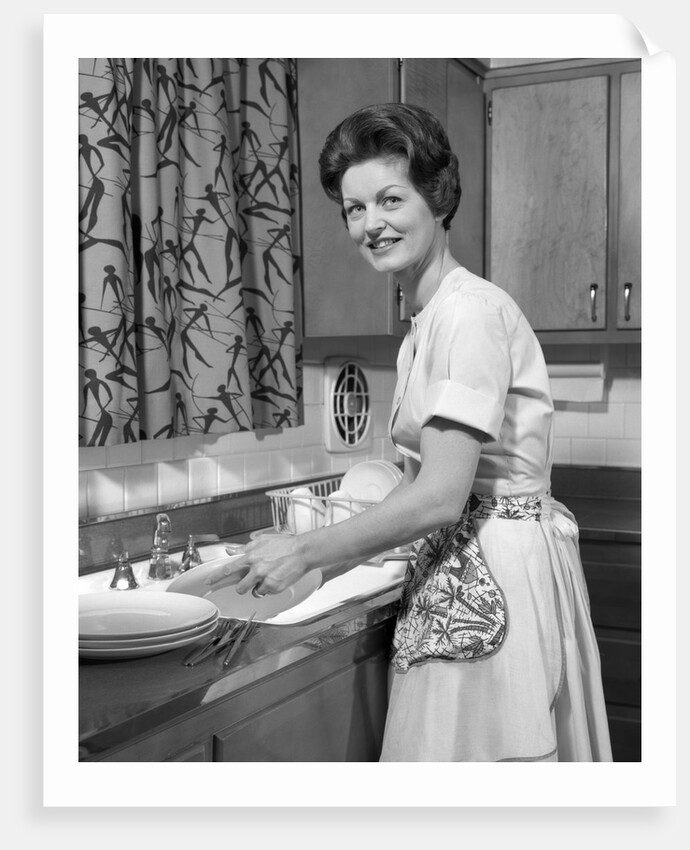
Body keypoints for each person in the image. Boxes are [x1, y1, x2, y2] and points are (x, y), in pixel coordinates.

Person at [206, 103, 613, 763]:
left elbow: (441, 497)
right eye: (354, 208)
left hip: (496, 575)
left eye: (390, 199)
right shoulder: (428, 318)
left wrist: (308, 553)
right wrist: (311, 553)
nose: (370, 224)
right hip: (470, 568)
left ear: (437, 198)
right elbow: (421, 485)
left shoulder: (469, 315)